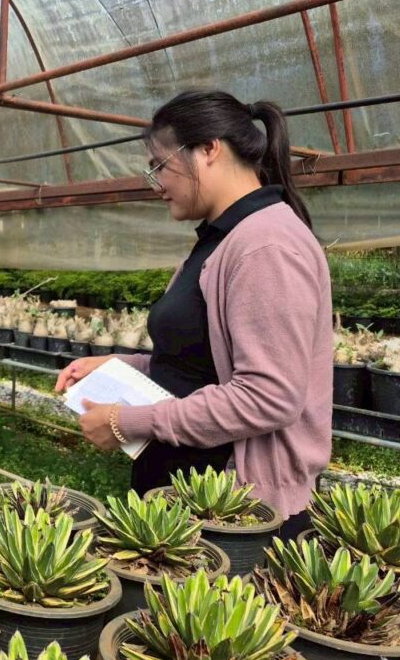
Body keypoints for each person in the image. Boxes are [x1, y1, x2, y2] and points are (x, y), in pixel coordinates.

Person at [55, 90, 332, 538]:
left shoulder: (266, 245)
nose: (157, 184)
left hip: (234, 514)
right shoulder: (220, 240)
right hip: (188, 494)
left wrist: (126, 421)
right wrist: (120, 365)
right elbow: (200, 365)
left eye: (160, 165)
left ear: (208, 149)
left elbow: (268, 396)